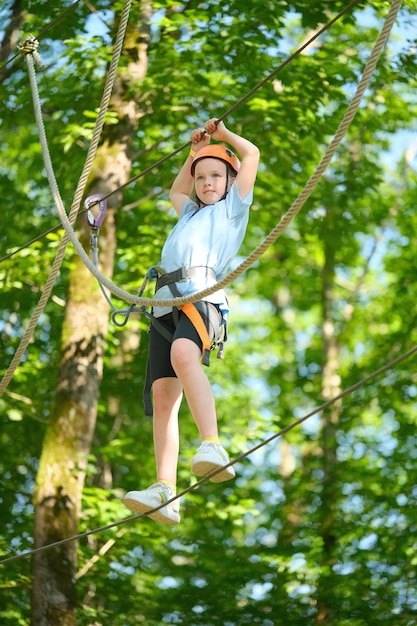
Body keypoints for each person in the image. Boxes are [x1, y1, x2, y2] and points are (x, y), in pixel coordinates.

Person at [124, 118, 260, 524]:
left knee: (186, 354)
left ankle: (213, 444)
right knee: (164, 396)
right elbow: (176, 189)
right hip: (165, 303)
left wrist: (221, 138)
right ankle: (165, 490)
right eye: (201, 177)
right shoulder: (188, 214)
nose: (206, 183)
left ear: (230, 180)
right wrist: (194, 153)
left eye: (216, 176)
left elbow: (250, 154)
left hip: (202, 296)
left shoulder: (232, 211)